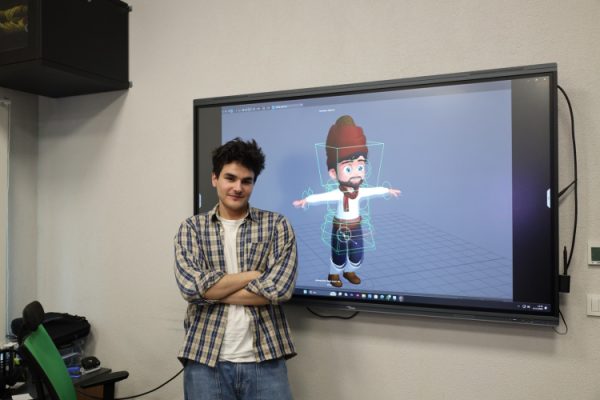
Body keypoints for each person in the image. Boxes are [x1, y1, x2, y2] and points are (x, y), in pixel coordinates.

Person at [174, 138, 298, 400]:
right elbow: (191, 288)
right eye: (230, 178)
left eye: (246, 181)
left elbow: (279, 290)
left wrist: (212, 292)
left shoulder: (277, 225)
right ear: (214, 178)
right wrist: (254, 276)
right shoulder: (191, 228)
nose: (238, 188)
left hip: (266, 358)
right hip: (205, 358)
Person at [293, 115, 400, 288]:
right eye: (348, 168)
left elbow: (374, 190)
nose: (356, 173)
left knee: (357, 253)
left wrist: (387, 191)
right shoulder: (337, 193)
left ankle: (350, 271)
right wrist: (306, 200)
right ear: (333, 173)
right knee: (339, 254)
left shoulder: (360, 191)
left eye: (360, 166)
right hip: (340, 228)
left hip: (356, 226)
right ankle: (334, 274)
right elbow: (322, 197)